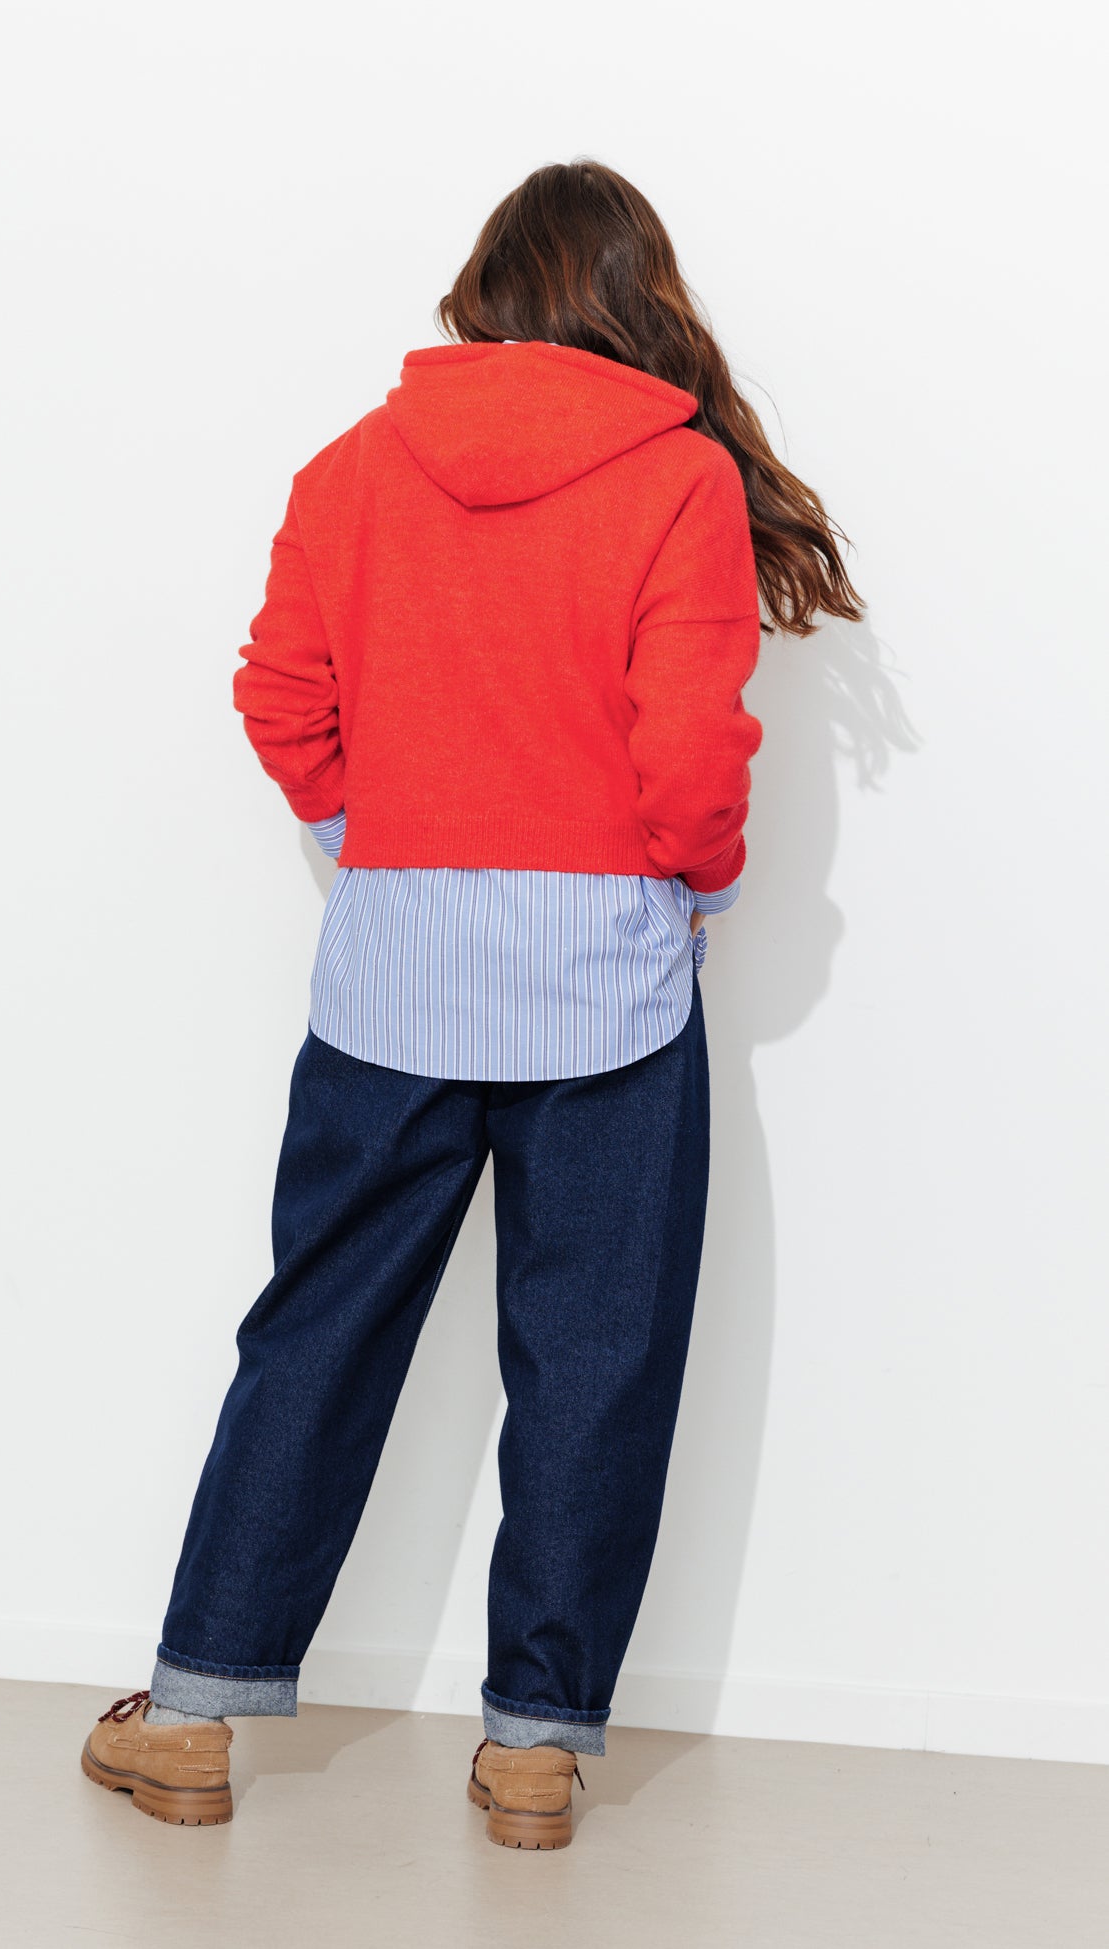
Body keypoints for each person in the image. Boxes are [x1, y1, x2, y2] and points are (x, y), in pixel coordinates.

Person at [81, 158, 863, 1848]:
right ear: (638, 301)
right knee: (597, 1357)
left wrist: (377, 841)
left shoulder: (355, 464)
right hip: (610, 988)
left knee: (317, 1329)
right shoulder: (679, 478)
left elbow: (279, 695)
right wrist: (696, 884)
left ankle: (196, 1714)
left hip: (393, 976)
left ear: (485, 294)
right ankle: (534, 1749)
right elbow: (689, 751)